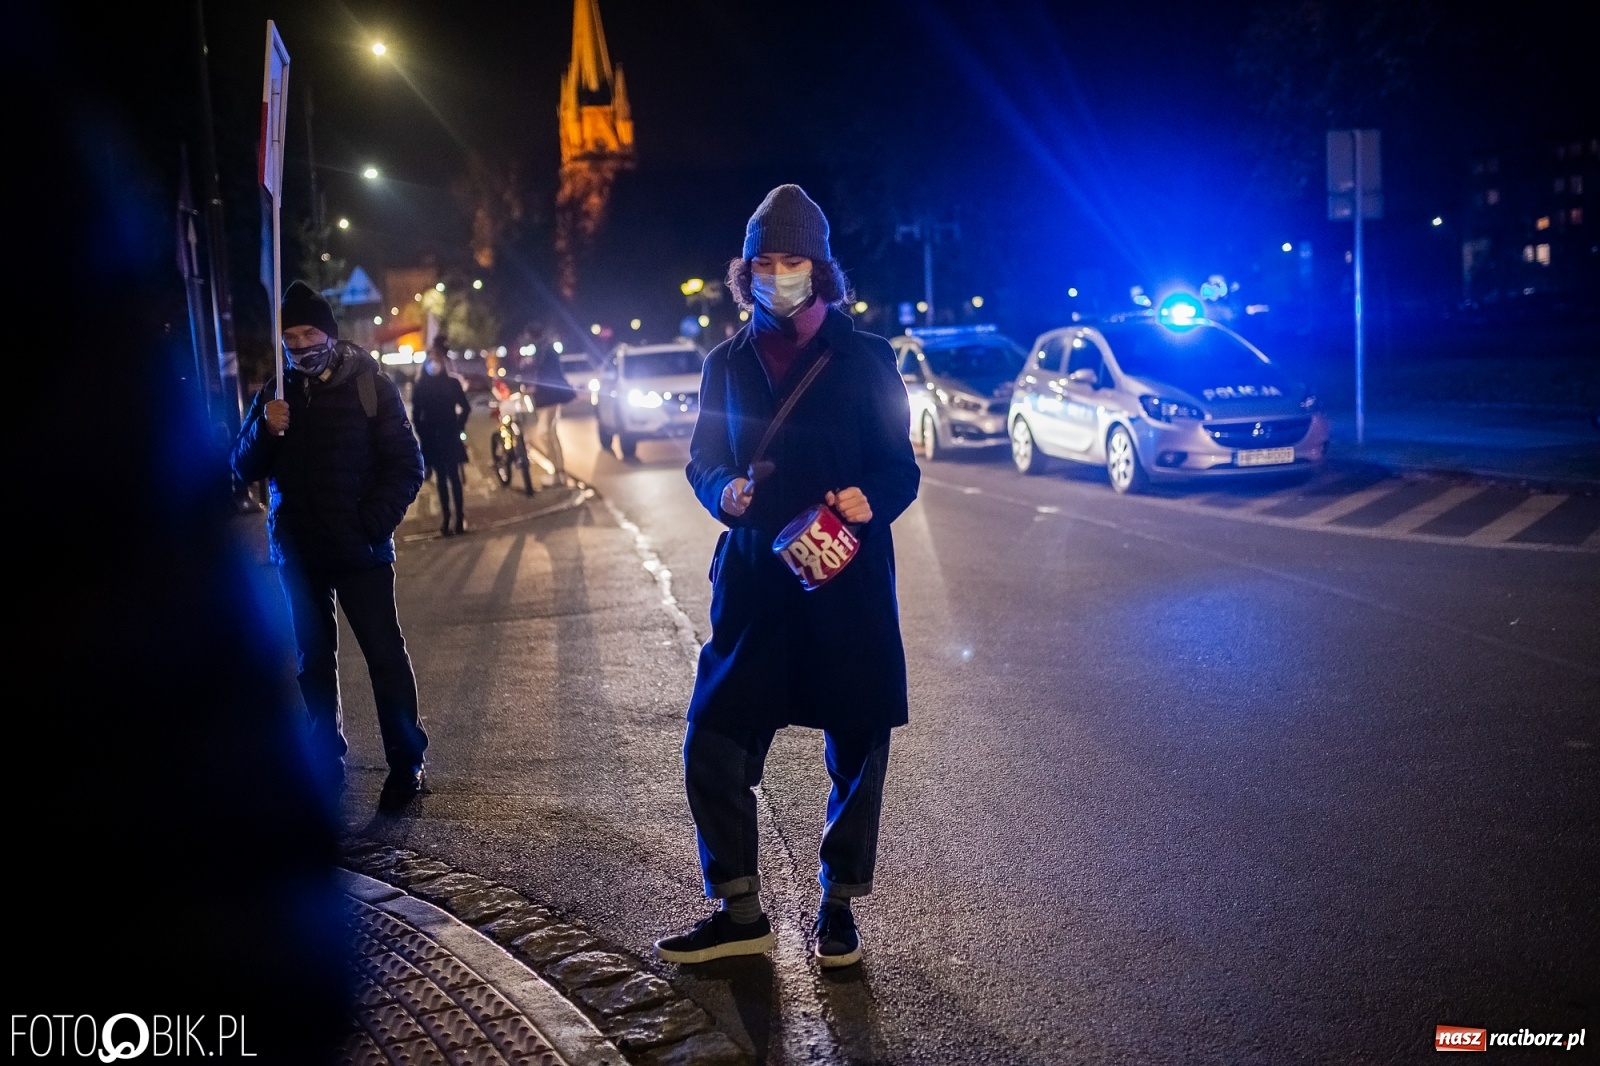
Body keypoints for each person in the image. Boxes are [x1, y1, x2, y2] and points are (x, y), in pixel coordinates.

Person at [655, 185, 921, 969]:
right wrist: (722, 491)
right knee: (715, 738)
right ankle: (740, 910)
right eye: (765, 261)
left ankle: (837, 906)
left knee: (858, 739)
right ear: (747, 271)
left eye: (794, 259)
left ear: (821, 267)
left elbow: (899, 468)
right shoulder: (724, 363)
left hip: (846, 581)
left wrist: (874, 499)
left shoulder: (868, 358)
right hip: (756, 583)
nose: (780, 274)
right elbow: (701, 460)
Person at [230, 280, 430, 814]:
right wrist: (264, 433)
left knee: (385, 658)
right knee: (312, 664)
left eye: (309, 332)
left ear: (330, 333)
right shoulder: (275, 392)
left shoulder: (370, 384)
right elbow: (240, 468)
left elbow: (407, 464)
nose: (299, 344)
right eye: (290, 336)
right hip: (298, 552)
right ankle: (325, 760)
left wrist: (370, 524)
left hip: (361, 551)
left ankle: (406, 763)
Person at [412, 335, 472, 535]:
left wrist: (458, 426)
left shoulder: (452, 383)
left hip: (449, 434)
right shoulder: (421, 385)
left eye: (436, 359)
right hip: (432, 437)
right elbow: (416, 413)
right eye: (431, 359)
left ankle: (460, 517)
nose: (433, 363)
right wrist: (422, 432)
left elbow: (465, 407)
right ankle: (446, 518)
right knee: (440, 480)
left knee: (454, 477)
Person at [528, 343, 577, 487]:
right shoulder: (546, 350)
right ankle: (559, 473)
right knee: (551, 434)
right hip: (550, 398)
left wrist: (535, 388)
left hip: (548, 399)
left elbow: (544, 375)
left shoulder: (544, 352)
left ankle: (557, 472)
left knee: (544, 434)